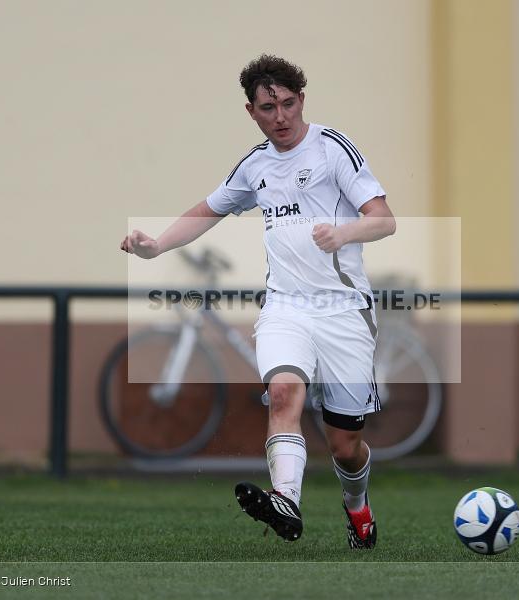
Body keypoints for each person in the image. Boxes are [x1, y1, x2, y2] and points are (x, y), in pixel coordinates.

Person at [121, 54, 395, 549]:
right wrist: (156, 245)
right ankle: (285, 499)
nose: (282, 117)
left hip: (343, 311)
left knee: (345, 445)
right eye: (269, 108)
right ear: (252, 111)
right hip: (286, 307)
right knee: (285, 394)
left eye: (289, 104)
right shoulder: (256, 165)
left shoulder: (332, 149)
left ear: (302, 101)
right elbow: (208, 210)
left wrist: (343, 232)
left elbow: (384, 219)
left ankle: (358, 508)